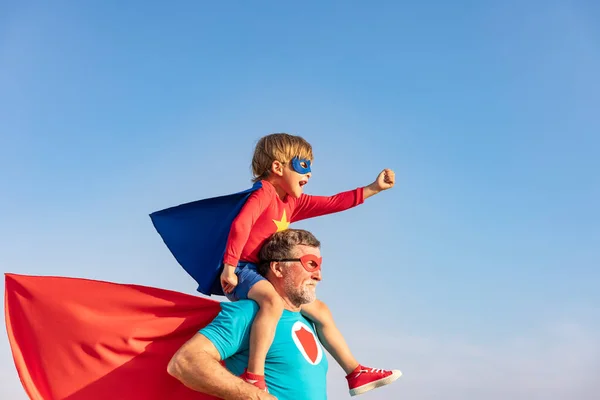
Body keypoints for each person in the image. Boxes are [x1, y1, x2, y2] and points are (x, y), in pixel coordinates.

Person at [152, 133, 400, 395]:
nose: (310, 173)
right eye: (302, 165)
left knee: (322, 311)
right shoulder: (264, 193)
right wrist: (228, 266)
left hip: (259, 272)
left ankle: (355, 372)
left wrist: (374, 188)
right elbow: (241, 225)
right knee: (270, 302)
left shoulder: (291, 202)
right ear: (278, 167)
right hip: (242, 269)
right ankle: (254, 375)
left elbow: (332, 203)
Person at [168, 229, 401, 400]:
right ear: (278, 268)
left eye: (320, 267)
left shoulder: (312, 321)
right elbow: (185, 362)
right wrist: (256, 397)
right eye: (310, 265)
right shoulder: (250, 312)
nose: (319, 276)